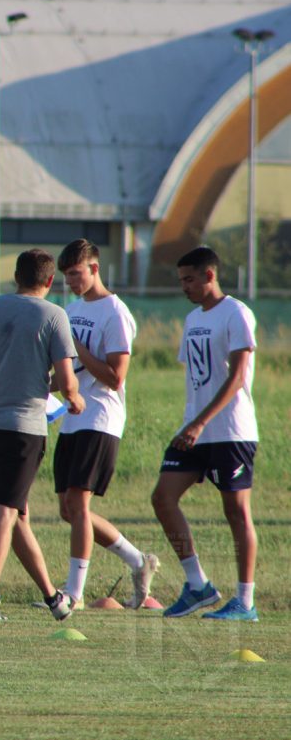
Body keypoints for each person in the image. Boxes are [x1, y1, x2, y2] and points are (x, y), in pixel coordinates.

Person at [0, 248, 84, 621]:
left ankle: (53, 598)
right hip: (22, 427)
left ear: (15, 276)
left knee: (16, 513)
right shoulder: (54, 315)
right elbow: (67, 380)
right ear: (50, 280)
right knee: (5, 512)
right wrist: (74, 399)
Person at [152, 247, 259, 621]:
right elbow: (198, 377)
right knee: (163, 498)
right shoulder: (193, 318)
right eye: (181, 280)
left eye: (189, 279)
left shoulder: (236, 313)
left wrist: (200, 422)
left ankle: (245, 602)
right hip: (194, 431)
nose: (184, 287)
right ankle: (198, 585)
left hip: (230, 431)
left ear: (210, 275)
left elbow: (237, 377)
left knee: (236, 511)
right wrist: (191, 423)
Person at [51, 239, 159, 610]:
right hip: (72, 417)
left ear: (95, 268)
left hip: (100, 416)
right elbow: (68, 371)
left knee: (79, 504)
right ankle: (138, 560)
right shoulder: (72, 309)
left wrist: (76, 348)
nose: (71, 282)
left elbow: (115, 377)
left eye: (76, 274)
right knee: (68, 509)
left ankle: (74, 593)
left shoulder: (115, 312)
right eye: (66, 276)